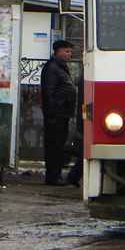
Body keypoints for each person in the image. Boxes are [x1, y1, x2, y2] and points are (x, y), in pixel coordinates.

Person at [41, 39, 78, 186]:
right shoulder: (52, 68)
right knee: (54, 146)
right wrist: (51, 115)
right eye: (67, 51)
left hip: (63, 113)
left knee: (60, 144)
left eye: (70, 51)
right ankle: (52, 176)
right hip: (56, 114)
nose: (70, 54)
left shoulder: (61, 67)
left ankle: (57, 174)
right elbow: (48, 93)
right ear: (59, 52)